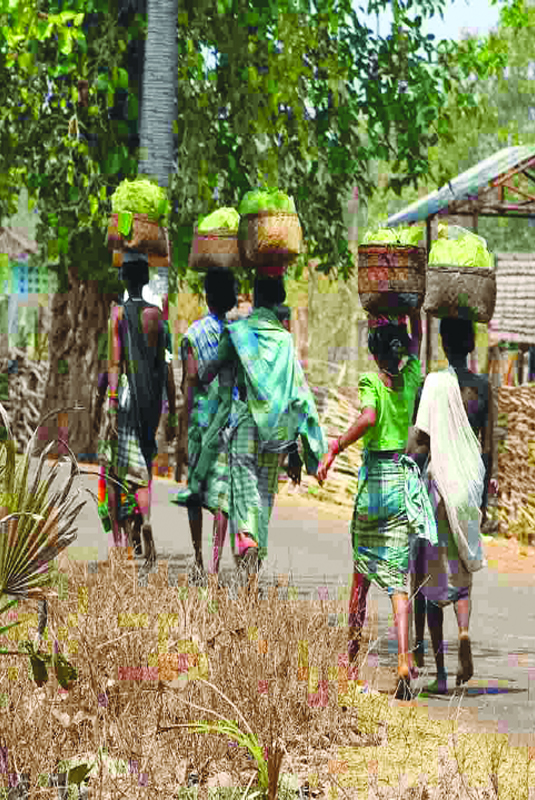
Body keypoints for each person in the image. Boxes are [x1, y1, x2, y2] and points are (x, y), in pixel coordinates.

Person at [316, 312, 437, 700]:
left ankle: (350, 664)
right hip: (403, 482)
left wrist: (335, 446)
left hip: (375, 488)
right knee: (398, 581)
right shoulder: (412, 379)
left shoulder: (372, 383)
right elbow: (417, 341)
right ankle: (404, 659)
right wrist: (411, 312)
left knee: (361, 578)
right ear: (400, 355)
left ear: (374, 355)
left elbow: (368, 417)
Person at [197, 274, 325, 574]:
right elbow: (298, 395)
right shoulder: (284, 339)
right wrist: (302, 449)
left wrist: (204, 368)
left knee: (243, 493)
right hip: (276, 432)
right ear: (279, 300)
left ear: (254, 296)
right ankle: (252, 565)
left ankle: (249, 547)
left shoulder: (238, 332)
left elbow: (210, 370)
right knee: (264, 496)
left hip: (244, 426)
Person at [408, 317, 494, 693]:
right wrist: (483, 500)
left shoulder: (433, 383)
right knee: (461, 575)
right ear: (472, 345)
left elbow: (421, 441)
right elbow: (488, 448)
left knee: (430, 580)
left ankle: (441, 675)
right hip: (470, 482)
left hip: (440, 483)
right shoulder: (482, 388)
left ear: (443, 344)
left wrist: (405, 462)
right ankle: (464, 631)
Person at [98, 250, 177, 565]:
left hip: (128, 398)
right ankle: (143, 522)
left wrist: (113, 402)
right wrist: (170, 410)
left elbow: (115, 363)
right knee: (142, 466)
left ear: (123, 279)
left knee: (118, 471)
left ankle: (121, 544)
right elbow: (165, 366)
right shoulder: (158, 317)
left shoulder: (117, 315)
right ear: (145, 280)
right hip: (151, 402)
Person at [171, 269, 240, 578]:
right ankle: (214, 564)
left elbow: (190, 381)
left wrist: (181, 432)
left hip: (201, 421)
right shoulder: (239, 333)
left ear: (207, 296)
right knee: (223, 497)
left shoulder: (193, 334)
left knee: (196, 495)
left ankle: (198, 560)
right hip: (230, 421)